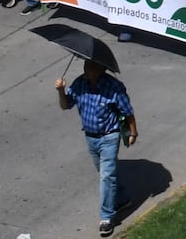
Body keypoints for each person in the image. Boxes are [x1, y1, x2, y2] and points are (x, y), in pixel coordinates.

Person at [54, 59, 137, 237]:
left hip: (109, 136)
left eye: (91, 68)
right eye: (85, 67)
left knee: (106, 176)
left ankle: (107, 218)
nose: (86, 71)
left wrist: (133, 133)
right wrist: (61, 91)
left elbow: (128, 111)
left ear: (102, 70)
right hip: (90, 137)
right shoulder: (79, 83)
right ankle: (122, 199)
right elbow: (65, 105)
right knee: (105, 173)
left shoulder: (114, 87)